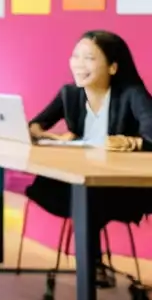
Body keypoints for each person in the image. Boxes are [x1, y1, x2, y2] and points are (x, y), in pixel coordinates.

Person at [27, 30, 152, 284]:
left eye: (89, 58)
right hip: (76, 185)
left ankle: (92, 264)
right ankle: (92, 265)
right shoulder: (70, 94)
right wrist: (57, 138)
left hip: (122, 188)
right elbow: (35, 126)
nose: (79, 64)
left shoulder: (132, 94)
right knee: (77, 193)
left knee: (90, 199)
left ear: (113, 67)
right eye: (76, 56)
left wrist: (132, 142)